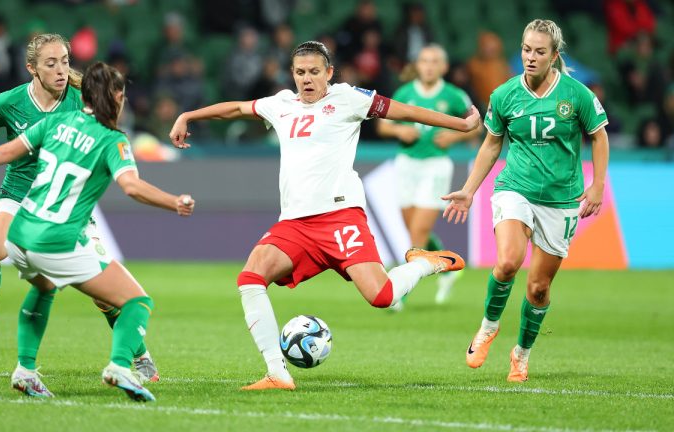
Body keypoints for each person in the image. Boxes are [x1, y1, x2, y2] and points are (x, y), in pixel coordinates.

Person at [169, 41, 479, 390]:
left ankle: (426, 262)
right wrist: (189, 115)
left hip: (340, 216)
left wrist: (459, 125)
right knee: (250, 278)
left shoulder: (348, 98)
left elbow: (403, 112)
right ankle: (277, 373)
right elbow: (237, 109)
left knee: (382, 297)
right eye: (300, 72)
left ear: (329, 73)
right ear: (292, 75)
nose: (307, 79)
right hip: (295, 223)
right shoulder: (281, 104)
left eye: (314, 71)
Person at [0, 62, 195, 401]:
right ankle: (121, 365)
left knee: (43, 287)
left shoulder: (55, 121)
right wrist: (175, 201)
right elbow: (131, 187)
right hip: (58, 240)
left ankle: (25, 371)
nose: (124, 102)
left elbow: (4, 152)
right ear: (112, 98)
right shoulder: (114, 140)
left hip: (21, 234)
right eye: (122, 95)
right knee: (138, 301)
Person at [442, 19, 609, 382]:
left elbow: (599, 136)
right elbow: (491, 144)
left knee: (538, 287)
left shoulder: (576, 94)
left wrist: (597, 186)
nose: (530, 57)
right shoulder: (504, 95)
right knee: (507, 262)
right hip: (514, 188)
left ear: (554, 56)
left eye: (539, 52)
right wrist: (469, 190)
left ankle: (521, 353)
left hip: (561, 200)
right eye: (526, 49)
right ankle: (488, 327)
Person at [377, 44, 480, 307]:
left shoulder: (455, 95)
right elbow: (383, 125)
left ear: (443, 67)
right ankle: (444, 263)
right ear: (417, 65)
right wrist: (399, 132)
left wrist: (455, 135)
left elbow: (475, 125)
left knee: (418, 233)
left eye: (435, 61)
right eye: (424, 60)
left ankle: (399, 292)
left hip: (435, 166)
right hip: (406, 164)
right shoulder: (405, 92)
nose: (429, 65)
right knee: (413, 228)